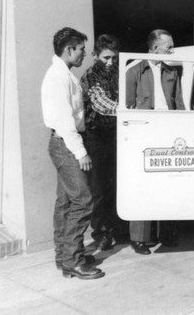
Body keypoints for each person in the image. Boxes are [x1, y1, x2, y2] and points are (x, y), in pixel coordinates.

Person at [41, 27, 104, 280]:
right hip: (66, 143)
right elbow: (65, 120)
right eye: (81, 50)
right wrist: (81, 152)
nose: (84, 54)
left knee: (66, 202)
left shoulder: (63, 74)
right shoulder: (58, 77)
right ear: (69, 50)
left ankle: (65, 256)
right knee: (83, 201)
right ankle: (74, 261)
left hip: (64, 141)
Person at [126, 29, 185, 254]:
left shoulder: (172, 71)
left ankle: (166, 233)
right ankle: (139, 238)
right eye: (169, 46)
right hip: (144, 135)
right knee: (143, 185)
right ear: (154, 48)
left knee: (168, 181)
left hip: (168, 132)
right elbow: (128, 106)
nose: (172, 50)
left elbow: (178, 102)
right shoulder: (134, 71)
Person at [80, 34, 122, 251]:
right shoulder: (89, 77)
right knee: (99, 188)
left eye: (114, 58)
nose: (110, 62)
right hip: (96, 137)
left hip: (116, 134)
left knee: (117, 184)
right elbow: (101, 103)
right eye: (106, 58)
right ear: (95, 55)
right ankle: (101, 232)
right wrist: (126, 110)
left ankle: (116, 228)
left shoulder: (116, 73)